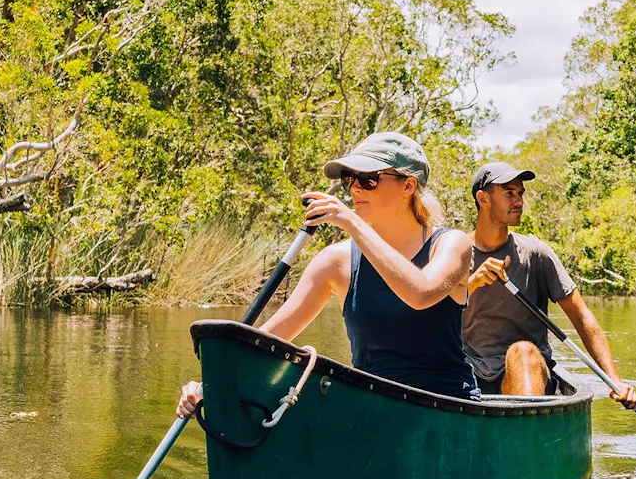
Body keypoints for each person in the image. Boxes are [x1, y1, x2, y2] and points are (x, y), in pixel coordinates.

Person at [176, 132, 475, 414]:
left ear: (408, 186)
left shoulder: (451, 244)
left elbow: (420, 294)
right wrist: (208, 384)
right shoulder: (337, 261)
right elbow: (271, 338)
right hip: (376, 410)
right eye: (350, 179)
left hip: (447, 407)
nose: (355, 188)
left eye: (369, 179)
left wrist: (352, 224)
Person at [464, 162, 636, 407]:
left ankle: (525, 432)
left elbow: (582, 317)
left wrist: (615, 381)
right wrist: (472, 283)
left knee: (522, 353)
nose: (519, 201)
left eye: (520, 193)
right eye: (509, 193)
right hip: (468, 372)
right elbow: (431, 314)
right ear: (483, 199)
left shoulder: (536, 254)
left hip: (528, 371)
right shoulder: (453, 253)